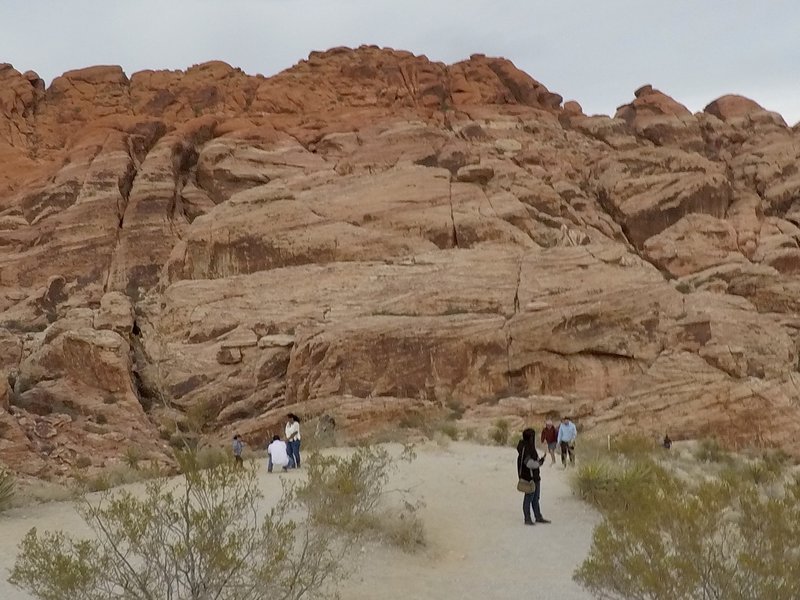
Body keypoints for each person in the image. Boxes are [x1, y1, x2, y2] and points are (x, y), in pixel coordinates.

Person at [517, 428, 550, 526]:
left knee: (535, 498)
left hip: (534, 476)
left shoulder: (527, 447)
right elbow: (529, 463)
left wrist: (539, 461)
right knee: (529, 498)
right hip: (530, 478)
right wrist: (539, 463)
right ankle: (527, 518)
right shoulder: (526, 448)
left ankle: (538, 517)